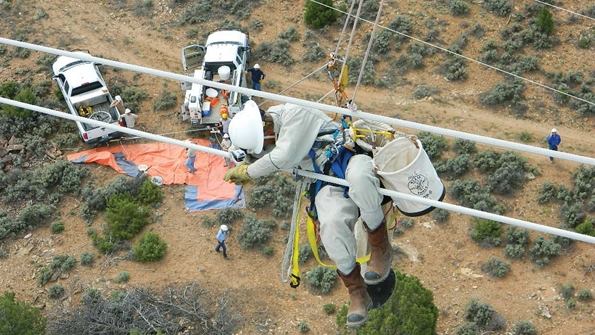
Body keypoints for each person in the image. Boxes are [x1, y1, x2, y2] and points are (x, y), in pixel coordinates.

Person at [224, 101, 391, 327]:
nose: (264, 147)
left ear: (267, 129)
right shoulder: (269, 130)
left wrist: (249, 172)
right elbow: (260, 155)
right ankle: (356, 290)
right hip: (323, 179)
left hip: (348, 157)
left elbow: (282, 157)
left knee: (360, 181)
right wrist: (245, 163)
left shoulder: (295, 114)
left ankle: (380, 248)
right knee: (331, 227)